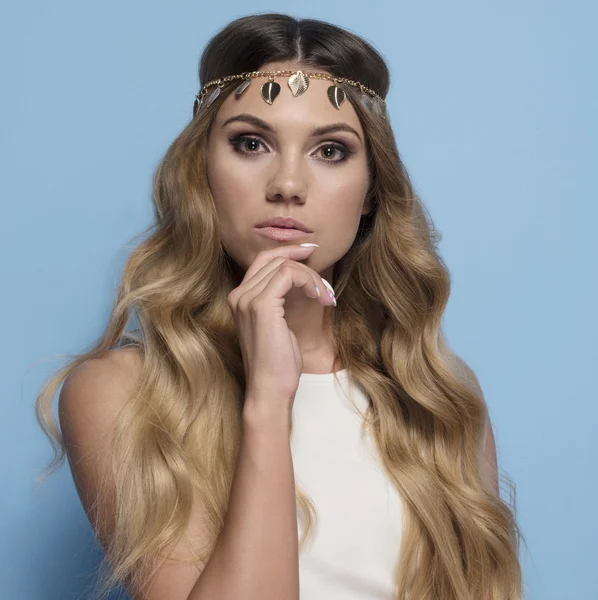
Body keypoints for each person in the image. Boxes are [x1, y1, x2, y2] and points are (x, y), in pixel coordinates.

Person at [34, 12, 524, 600]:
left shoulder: (436, 397)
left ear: (371, 193)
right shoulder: (121, 394)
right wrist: (267, 401)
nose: (288, 183)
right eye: (250, 143)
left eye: (331, 151)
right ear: (202, 174)